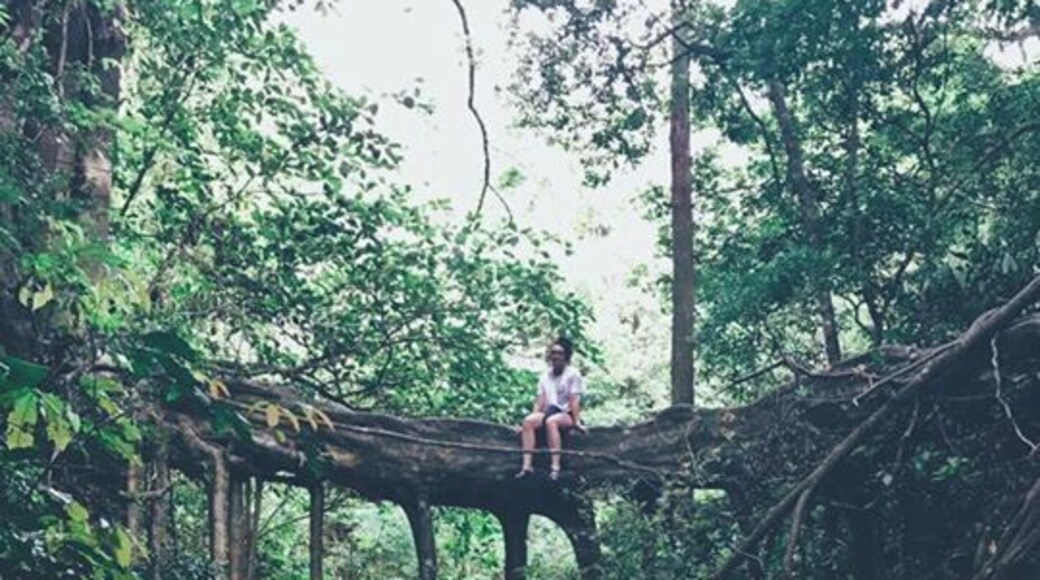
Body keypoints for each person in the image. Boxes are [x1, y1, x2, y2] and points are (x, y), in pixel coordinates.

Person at [515, 336, 587, 481]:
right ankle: (527, 466)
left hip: (566, 414)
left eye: (560, 353)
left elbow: (574, 399)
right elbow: (540, 400)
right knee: (528, 421)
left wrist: (577, 421)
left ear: (566, 356)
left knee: (551, 422)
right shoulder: (544, 376)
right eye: (553, 353)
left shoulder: (573, 374)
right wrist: (533, 418)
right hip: (549, 411)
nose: (556, 356)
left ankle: (555, 467)